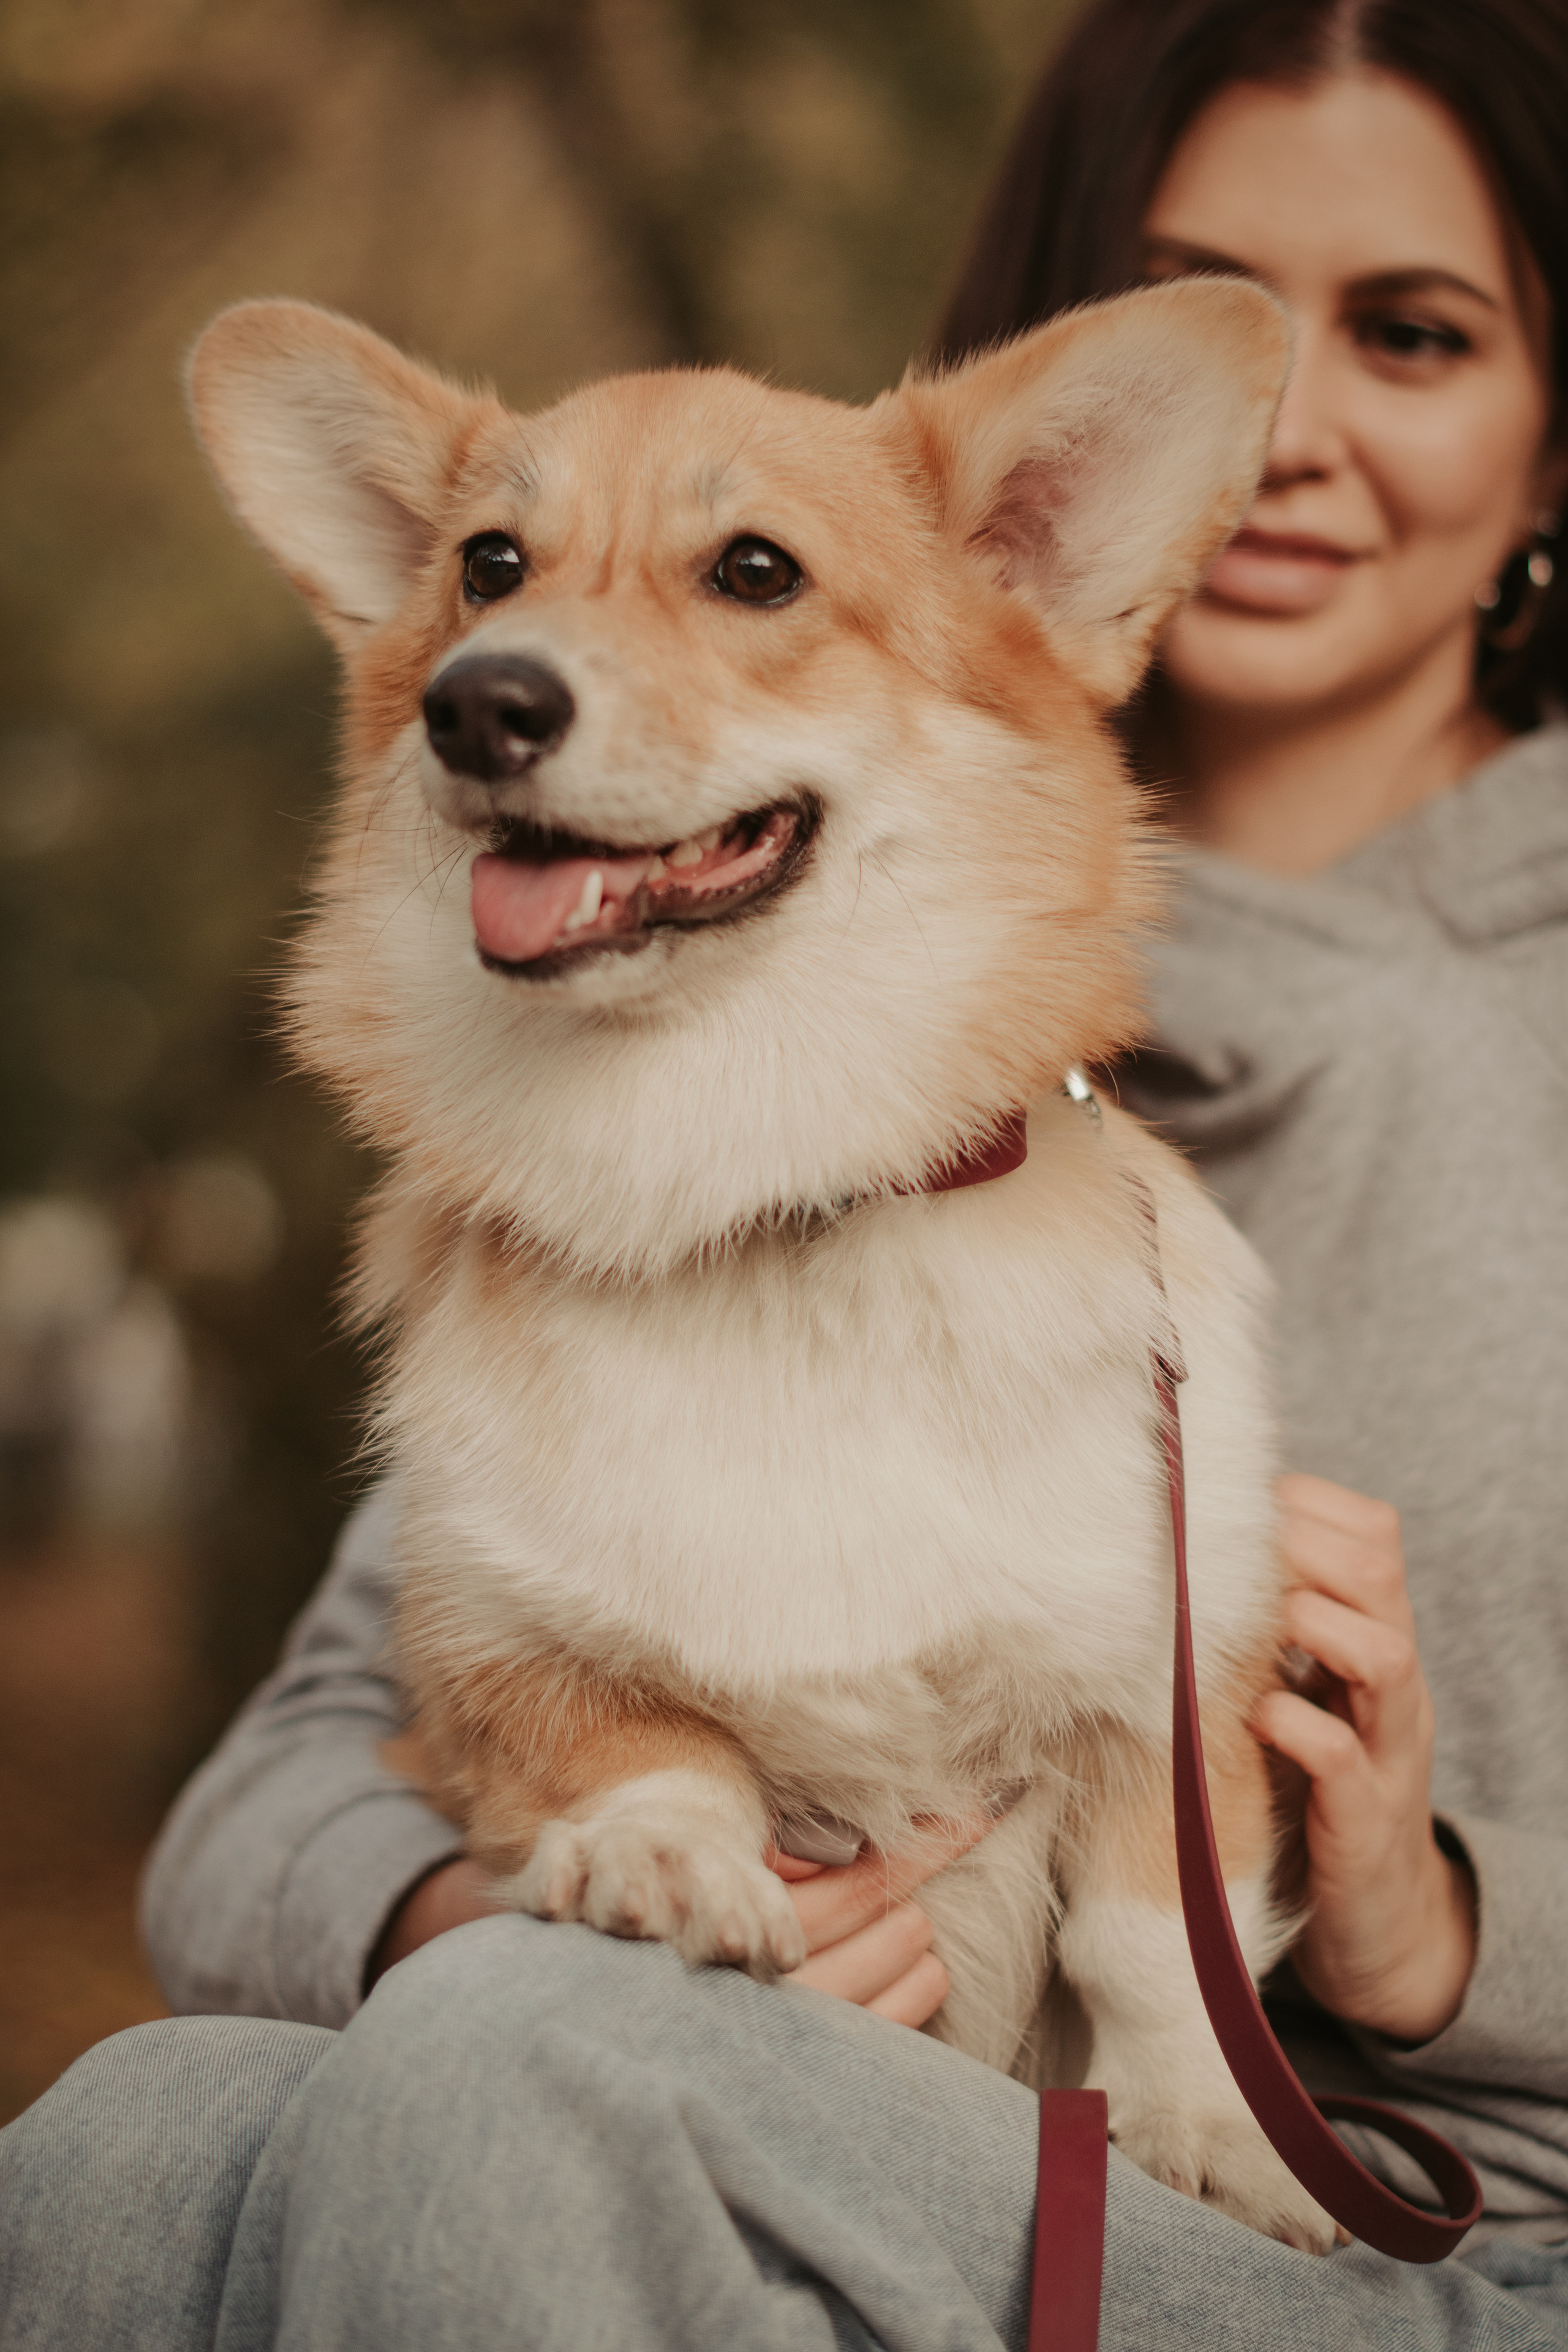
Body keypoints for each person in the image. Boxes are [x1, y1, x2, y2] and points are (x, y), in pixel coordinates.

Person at [4, 1, 1567, 2344]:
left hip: (1402, 2214)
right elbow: (287, 1803)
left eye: (1421, 334)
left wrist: (1433, 1915)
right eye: (1251, 316)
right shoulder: (645, 1084)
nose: (1306, 436)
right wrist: (550, 1894)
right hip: (730, 2081)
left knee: (529, 2074)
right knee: (132, 2147)